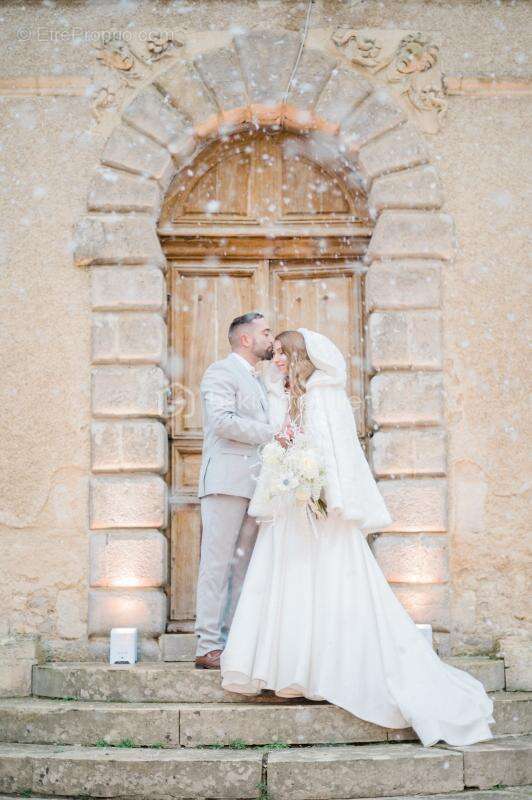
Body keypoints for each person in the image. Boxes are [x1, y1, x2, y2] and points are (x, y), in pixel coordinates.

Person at [219, 327, 495, 748]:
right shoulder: (285, 394)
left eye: (282, 353)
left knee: (327, 581)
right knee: (288, 582)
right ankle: (290, 669)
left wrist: (324, 495)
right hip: (290, 506)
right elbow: (286, 443)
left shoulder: (325, 394)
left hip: (321, 507)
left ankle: (324, 668)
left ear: (300, 355)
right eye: (273, 354)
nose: (276, 360)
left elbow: (335, 453)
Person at [194, 311, 281, 669]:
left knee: (242, 568)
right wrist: (274, 433)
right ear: (245, 339)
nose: (271, 338)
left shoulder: (260, 380)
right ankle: (207, 646)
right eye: (266, 332)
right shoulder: (220, 372)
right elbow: (222, 422)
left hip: (256, 485)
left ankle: (233, 643)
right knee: (216, 566)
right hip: (226, 482)